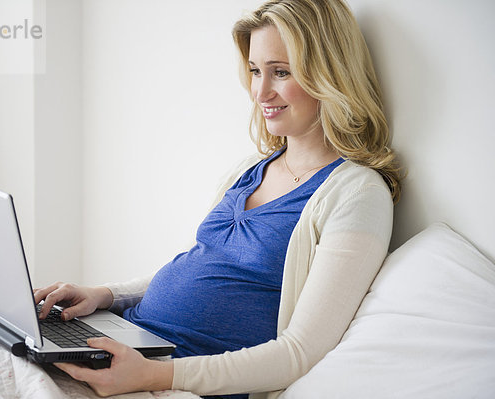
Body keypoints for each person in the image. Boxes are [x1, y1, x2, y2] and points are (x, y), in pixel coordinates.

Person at [33, 0, 401, 397]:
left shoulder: (358, 193)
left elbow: (300, 352)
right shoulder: (248, 170)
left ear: (330, 75)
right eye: (256, 71)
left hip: (172, 377)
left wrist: (154, 376)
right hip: (133, 345)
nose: (260, 92)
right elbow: (203, 263)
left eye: (281, 72)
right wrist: (106, 294)